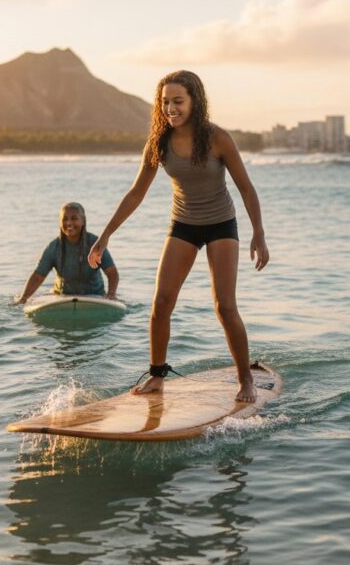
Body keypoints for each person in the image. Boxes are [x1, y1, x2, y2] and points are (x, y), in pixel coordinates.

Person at [87, 70, 270, 402]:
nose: (171, 109)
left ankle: (245, 379)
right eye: (165, 102)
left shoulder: (217, 139)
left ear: (195, 101)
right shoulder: (159, 142)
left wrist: (258, 233)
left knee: (224, 306)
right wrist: (105, 235)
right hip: (183, 224)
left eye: (178, 102)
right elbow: (135, 193)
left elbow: (245, 187)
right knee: (161, 302)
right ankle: (157, 375)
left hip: (220, 224)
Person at [17, 202, 119, 304]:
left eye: (74, 218)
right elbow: (37, 276)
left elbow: (112, 273)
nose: (69, 223)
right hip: (62, 297)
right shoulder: (53, 247)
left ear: (83, 221)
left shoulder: (95, 243)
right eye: (65, 219)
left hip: (94, 296)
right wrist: (23, 298)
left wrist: (111, 294)